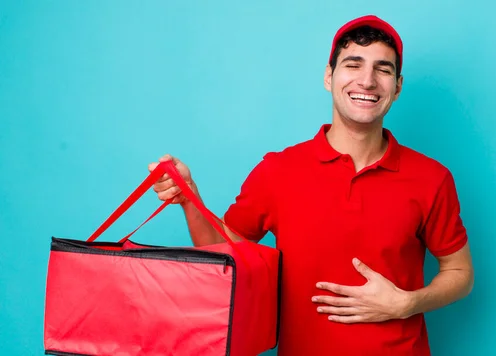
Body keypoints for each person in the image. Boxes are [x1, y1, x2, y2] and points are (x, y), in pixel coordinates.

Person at [149, 15, 474, 356]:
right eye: (353, 64)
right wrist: (190, 199)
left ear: (398, 86)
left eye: (383, 69)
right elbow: (225, 253)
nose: (367, 80)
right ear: (328, 76)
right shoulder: (279, 170)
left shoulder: (431, 177)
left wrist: (407, 303)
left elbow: (460, 271)